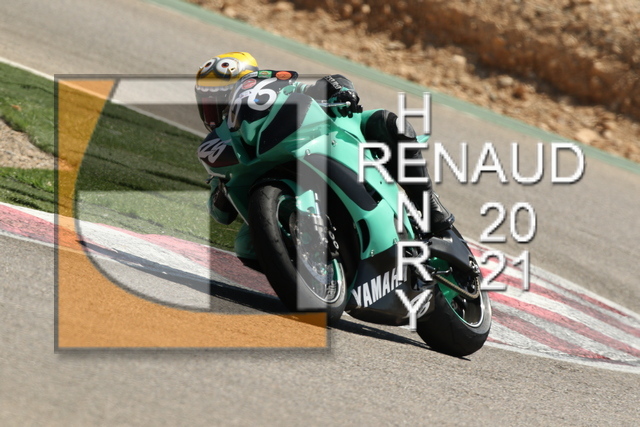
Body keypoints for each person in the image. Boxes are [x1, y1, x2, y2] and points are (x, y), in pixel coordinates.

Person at [195, 51, 454, 259]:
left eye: (219, 96)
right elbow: (221, 216)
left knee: (386, 121)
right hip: (275, 185)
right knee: (246, 245)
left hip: (324, 137)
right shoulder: (225, 147)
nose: (214, 107)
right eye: (208, 102)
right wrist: (222, 188)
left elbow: (324, 84)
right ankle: (309, 274)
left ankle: (428, 204)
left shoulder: (277, 91)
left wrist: (339, 89)